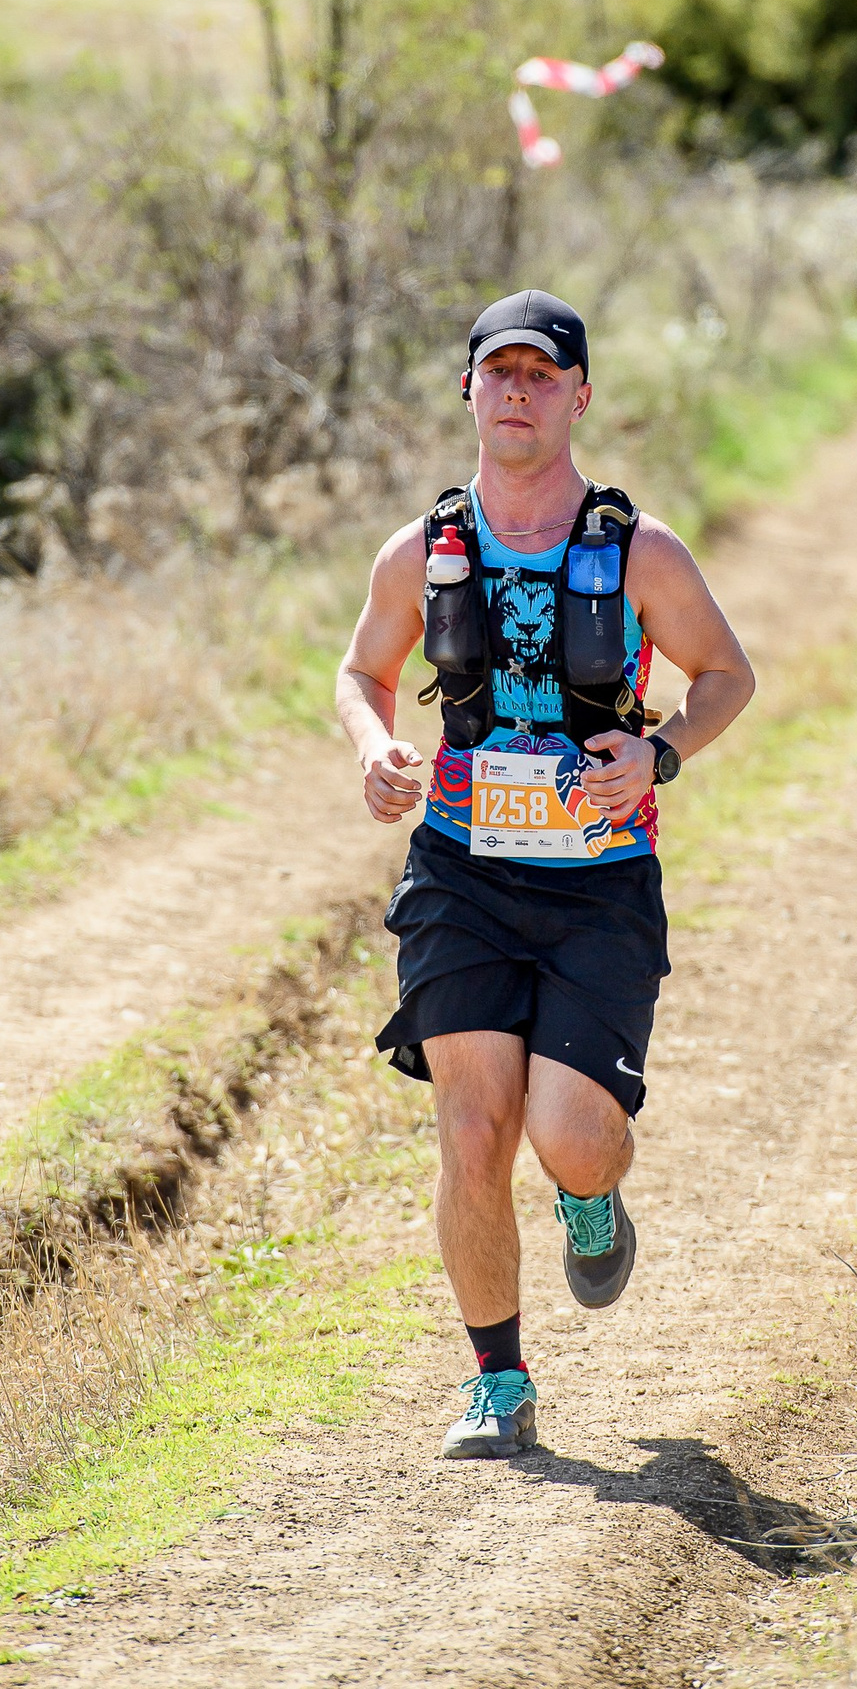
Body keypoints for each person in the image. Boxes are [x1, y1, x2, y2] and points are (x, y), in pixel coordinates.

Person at [335, 290, 756, 1459]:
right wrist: (377, 750)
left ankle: (588, 1195)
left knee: (570, 1134)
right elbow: (361, 672)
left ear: (578, 396)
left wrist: (660, 749)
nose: (516, 393)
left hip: (597, 887)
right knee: (472, 1131)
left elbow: (727, 673)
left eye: (540, 375)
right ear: (468, 389)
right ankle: (499, 1382)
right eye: (497, 373)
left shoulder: (637, 550)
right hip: (461, 874)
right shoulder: (424, 550)